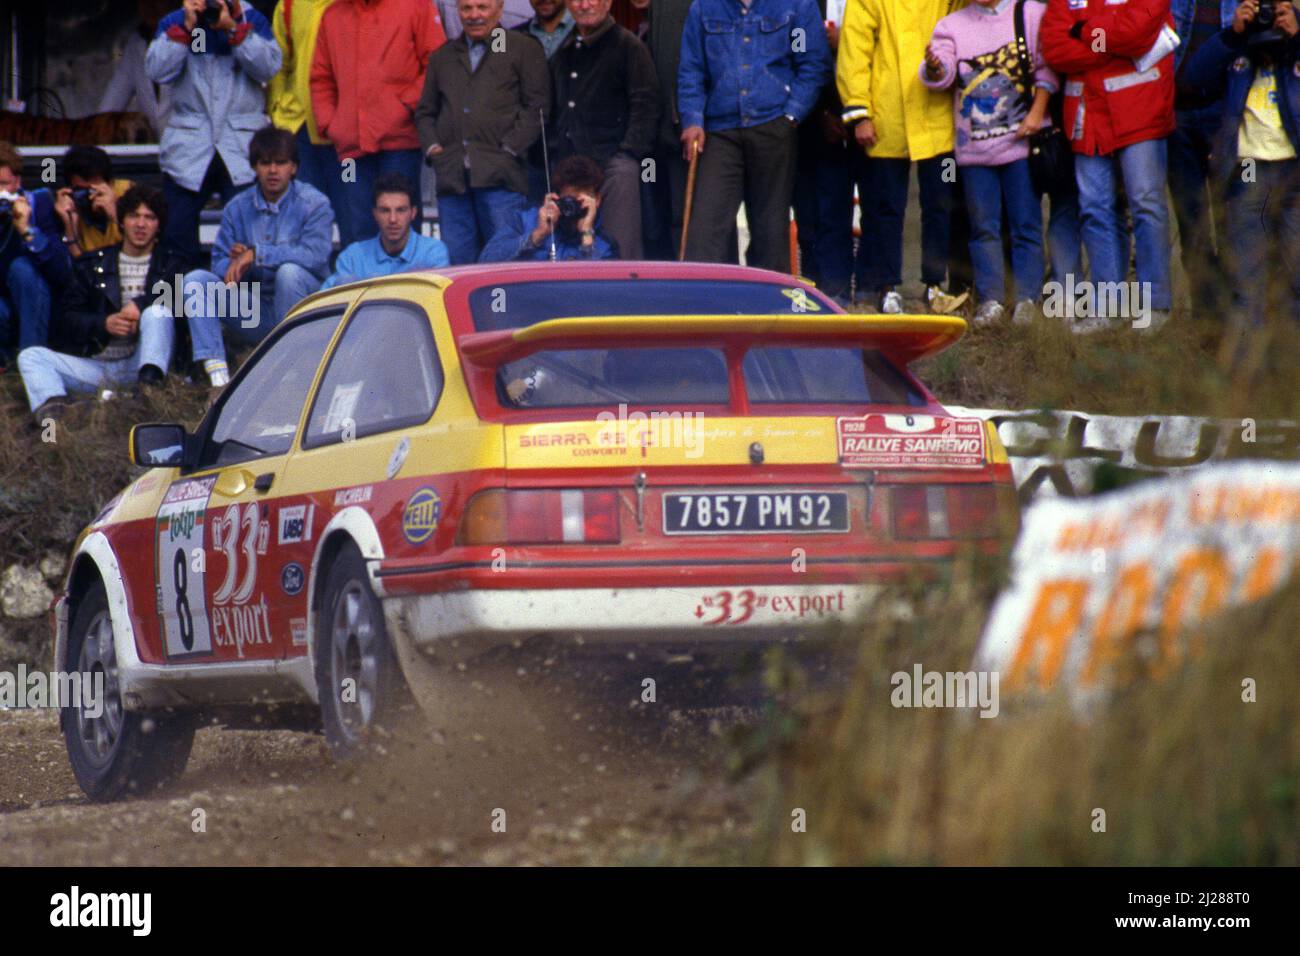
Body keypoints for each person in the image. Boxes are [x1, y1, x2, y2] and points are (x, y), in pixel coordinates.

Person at [1041, 0, 1176, 331]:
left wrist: (1084, 31)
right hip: (1088, 118)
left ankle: (1155, 306)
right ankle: (1107, 309)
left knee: (1146, 204)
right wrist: (1112, 47)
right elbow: (1054, 48)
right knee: (1094, 209)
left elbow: (1138, 34)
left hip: (1141, 111)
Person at [923, 0, 1057, 326]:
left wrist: (1038, 114)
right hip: (974, 154)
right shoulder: (951, 25)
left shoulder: (1030, 14)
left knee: (1026, 225)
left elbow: (1047, 69)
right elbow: (940, 75)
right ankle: (991, 301)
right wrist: (935, 68)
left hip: (1021, 146)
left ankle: (1028, 299)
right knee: (983, 229)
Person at [837, 0, 970, 314]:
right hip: (886, 120)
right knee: (886, 209)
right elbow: (854, 52)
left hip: (939, 124)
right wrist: (860, 113)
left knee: (940, 204)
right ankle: (886, 287)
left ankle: (935, 286)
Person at [679, 0, 830, 274]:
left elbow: (810, 63)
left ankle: (770, 312)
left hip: (774, 125)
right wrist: (692, 119)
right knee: (705, 233)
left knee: (771, 232)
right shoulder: (703, 7)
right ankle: (705, 308)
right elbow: (692, 70)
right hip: (718, 131)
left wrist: (791, 116)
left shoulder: (796, 5)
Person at [183, 127, 334, 387]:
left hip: (303, 311)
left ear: (294, 167)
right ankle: (218, 379)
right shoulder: (237, 207)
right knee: (196, 281)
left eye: (281, 162)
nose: (273, 171)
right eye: (265, 163)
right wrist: (234, 264)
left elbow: (316, 256)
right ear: (255, 167)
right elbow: (218, 264)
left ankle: (296, 370)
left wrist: (257, 254)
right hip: (256, 311)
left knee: (290, 272)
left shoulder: (314, 203)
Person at [1183, 0, 1300, 334]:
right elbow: (1195, 76)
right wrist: (1232, 34)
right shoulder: (1239, 48)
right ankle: (1246, 373)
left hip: (1293, 170)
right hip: (1249, 167)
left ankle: (1288, 371)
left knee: (1296, 277)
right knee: (1247, 279)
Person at [17, 186, 178, 425]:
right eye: (134, 216)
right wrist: (103, 324)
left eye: (150, 218)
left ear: (159, 225)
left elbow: (183, 304)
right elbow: (65, 319)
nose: (141, 224)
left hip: (145, 362)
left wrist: (142, 305)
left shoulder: (174, 263)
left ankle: (147, 397)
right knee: (31, 356)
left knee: (157, 312)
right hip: (99, 365)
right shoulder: (91, 264)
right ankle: (58, 415)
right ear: (121, 221)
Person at [146, 0, 282, 270]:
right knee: (177, 239)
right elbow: (157, 72)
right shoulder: (175, 20)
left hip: (241, 148)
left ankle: (241, 308)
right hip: (189, 149)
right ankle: (182, 308)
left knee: (244, 238)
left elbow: (268, 68)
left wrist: (233, 29)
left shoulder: (252, 18)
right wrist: (186, 29)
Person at [416, 0, 550, 265]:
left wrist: (509, 150)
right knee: (459, 269)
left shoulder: (522, 48)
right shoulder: (443, 57)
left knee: (506, 264)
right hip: (453, 180)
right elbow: (425, 113)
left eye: (482, 7)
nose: (474, 15)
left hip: (503, 180)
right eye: (467, 8)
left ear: (499, 9)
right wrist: (434, 149)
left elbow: (538, 108)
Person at [310, 0, 446, 245]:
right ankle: (360, 284)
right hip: (350, 151)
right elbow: (320, 78)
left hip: (401, 144)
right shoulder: (333, 15)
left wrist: (405, 106)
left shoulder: (417, 6)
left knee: (401, 227)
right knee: (356, 225)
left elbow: (436, 65)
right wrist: (332, 124)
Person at [550, 0, 660, 260]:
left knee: (618, 251)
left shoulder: (628, 45)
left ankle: (623, 297)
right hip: (572, 165)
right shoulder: (564, 50)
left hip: (614, 164)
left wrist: (628, 153)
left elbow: (646, 104)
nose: (584, 5)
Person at [1170, 0, 1239, 314]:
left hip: (1225, 117)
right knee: (1191, 219)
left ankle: (1237, 311)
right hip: (1177, 117)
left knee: (1232, 214)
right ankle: (1206, 317)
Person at [268, 0, 355, 245]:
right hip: (301, 130)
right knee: (304, 221)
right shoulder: (288, 5)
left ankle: (354, 281)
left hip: (346, 134)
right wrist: (279, 114)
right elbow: (279, 64)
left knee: (352, 216)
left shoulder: (356, 5)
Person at [0, 142, 72, 370]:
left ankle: (34, 366)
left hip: (35, 305)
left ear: (17, 183)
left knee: (23, 268)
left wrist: (27, 230)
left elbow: (62, 271)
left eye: (3, 184)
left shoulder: (38, 203)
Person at [322, 173, 451, 288]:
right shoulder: (353, 256)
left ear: (413, 213)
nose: (393, 219)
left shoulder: (433, 253)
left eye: (401, 210)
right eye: (385, 210)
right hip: (366, 316)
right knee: (345, 281)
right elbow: (325, 303)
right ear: (375, 214)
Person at [479, 154, 618, 260]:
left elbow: (601, 289)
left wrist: (587, 236)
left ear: (597, 200)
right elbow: (486, 260)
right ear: (556, 197)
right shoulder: (524, 221)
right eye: (569, 200)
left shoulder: (605, 243)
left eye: (580, 201)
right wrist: (537, 235)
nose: (574, 207)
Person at [98, 0, 176, 138]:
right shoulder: (136, 43)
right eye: (142, 1)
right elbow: (110, 105)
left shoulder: (195, 40)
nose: (149, 6)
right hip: (157, 149)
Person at [53, 146, 137, 258]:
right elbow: (78, 269)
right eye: (82, 190)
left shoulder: (131, 195)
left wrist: (116, 215)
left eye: (94, 190)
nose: (90, 196)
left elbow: (142, 252)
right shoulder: (68, 207)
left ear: (110, 184)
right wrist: (70, 227)